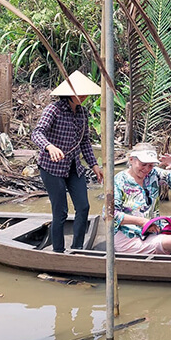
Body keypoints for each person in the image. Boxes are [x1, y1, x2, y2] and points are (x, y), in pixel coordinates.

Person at [32, 70, 104, 253]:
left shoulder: (82, 113)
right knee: (61, 212)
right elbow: (37, 132)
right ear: (71, 93)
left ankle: (77, 248)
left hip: (73, 167)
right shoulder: (54, 109)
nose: (86, 96)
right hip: (51, 168)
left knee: (83, 206)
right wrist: (50, 147)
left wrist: (94, 165)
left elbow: (85, 142)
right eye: (82, 92)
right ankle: (58, 251)